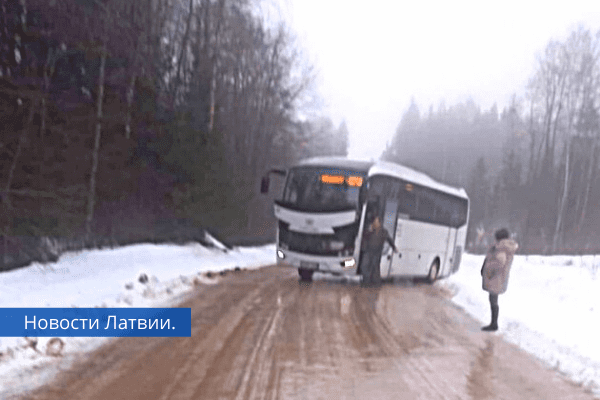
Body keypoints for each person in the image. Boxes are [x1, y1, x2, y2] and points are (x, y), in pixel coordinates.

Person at [480, 228, 519, 331]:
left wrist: (488, 271)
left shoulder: (501, 248)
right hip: (499, 277)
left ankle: (494, 324)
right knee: (493, 299)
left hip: (496, 277)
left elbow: (499, 262)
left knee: (493, 300)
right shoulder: (504, 247)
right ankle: (493, 323)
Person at [360, 215, 397, 284]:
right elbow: (364, 237)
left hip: (377, 252)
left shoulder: (384, 232)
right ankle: (366, 283)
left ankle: (374, 285)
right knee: (364, 266)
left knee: (374, 269)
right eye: (374, 221)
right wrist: (369, 231)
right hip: (368, 251)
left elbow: (389, 240)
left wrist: (394, 247)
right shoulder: (370, 230)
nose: (374, 223)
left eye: (376, 222)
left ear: (379, 223)